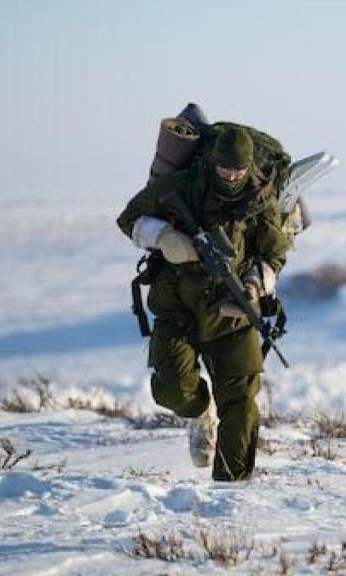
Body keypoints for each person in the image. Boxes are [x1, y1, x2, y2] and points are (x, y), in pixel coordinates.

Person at [116, 123, 291, 481]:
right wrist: (164, 237)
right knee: (173, 390)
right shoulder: (183, 185)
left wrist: (255, 286)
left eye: (238, 171)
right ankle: (199, 414)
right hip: (177, 306)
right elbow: (129, 218)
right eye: (225, 170)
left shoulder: (261, 199)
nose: (231, 177)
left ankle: (231, 490)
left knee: (241, 404)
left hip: (232, 311)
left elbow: (274, 254)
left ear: (249, 167)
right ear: (213, 163)